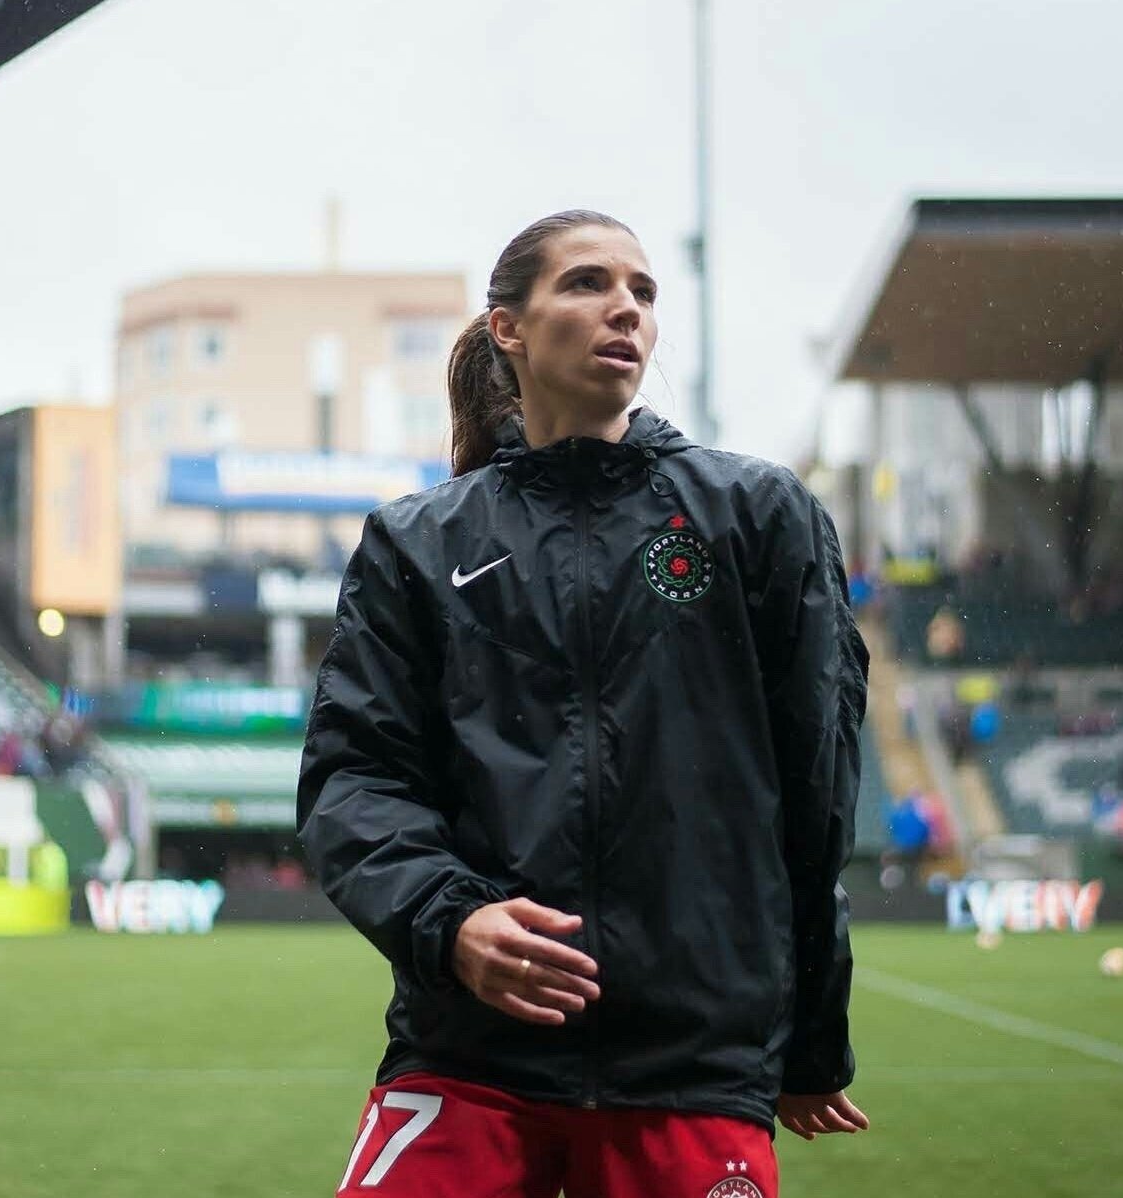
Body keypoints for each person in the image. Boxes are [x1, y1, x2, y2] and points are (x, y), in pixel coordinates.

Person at [298, 210, 871, 1198]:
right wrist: (453, 922)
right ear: (507, 329)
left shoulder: (761, 517)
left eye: (643, 293)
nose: (626, 310)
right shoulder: (416, 542)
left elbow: (815, 789)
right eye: (587, 283)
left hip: (687, 1066)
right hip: (468, 1055)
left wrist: (808, 1043)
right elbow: (356, 779)